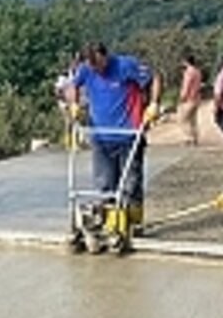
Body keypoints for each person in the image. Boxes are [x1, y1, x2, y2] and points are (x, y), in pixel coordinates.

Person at [65, 42, 161, 229]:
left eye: (99, 65)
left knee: (130, 184)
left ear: (105, 56)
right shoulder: (86, 69)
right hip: (100, 136)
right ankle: (110, 223)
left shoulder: (125, 65)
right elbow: (72, 86)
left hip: (128, 134)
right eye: (92, 67)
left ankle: (133, 223)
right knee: (104, 185)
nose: (97, 70)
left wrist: (154, 104)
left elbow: (155, 77)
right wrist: (74, 104)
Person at [178, 52, 202, 146]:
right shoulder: (197, 71)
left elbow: (186, 86)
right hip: (196, 98)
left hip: (188, 99)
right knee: (193, 120)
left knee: (183, 119)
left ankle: (188, 138)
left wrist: (182, 98)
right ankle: (195, 137)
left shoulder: (188, 72)